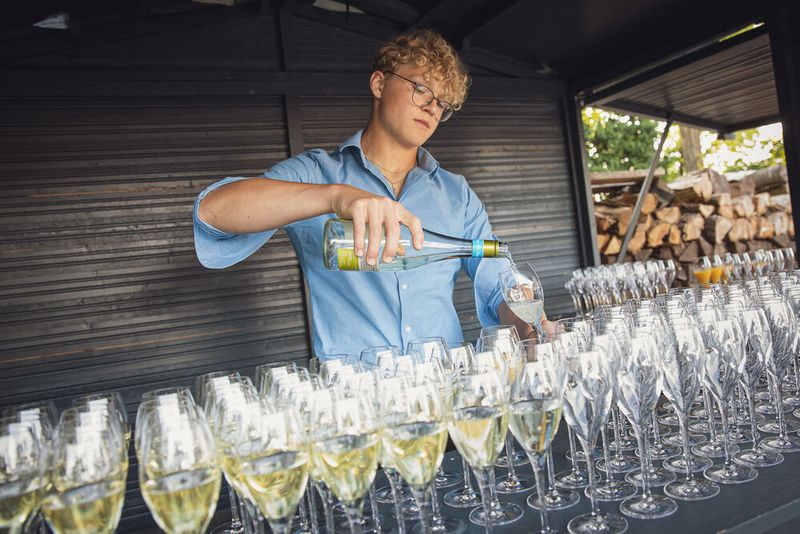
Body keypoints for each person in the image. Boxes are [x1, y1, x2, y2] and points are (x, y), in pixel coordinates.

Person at [193, 29, 553, 358]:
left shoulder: (456, 194)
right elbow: (213, 212)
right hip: (358, 398)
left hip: (446, 389)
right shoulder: (317, 174)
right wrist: (335, 197)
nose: (433, 107)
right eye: (422, 89)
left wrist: (527, 324)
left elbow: (499, 280)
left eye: (443, 103)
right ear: (380, 84)